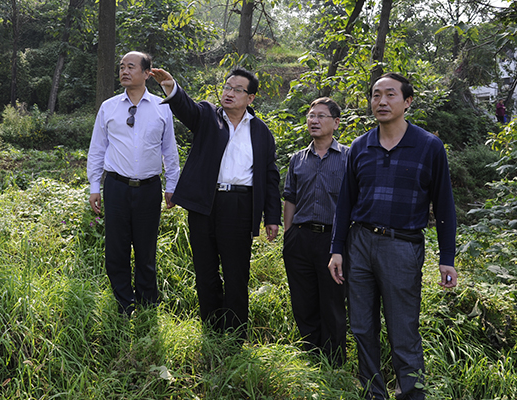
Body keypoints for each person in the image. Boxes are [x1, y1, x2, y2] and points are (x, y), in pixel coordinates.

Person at [328, 73, 457, 399]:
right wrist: (337, 248)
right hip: (360, 244)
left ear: (407, 101)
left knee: (403, 329)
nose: (381, 101)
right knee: (362, 327)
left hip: (403, 246)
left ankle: (412, 394)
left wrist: (447, 258)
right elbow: (345, 203)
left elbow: (444, 205)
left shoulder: (428, 146)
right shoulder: (360, 146)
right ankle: (373, 393)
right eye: (376, 95)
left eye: (390, 95)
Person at [150, 67, 281, 340]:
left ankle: (234, 336)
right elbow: (186, 109)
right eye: (227, 87)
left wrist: (272, 216)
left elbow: (270, 176)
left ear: (251, 98)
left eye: (237, 90)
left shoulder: (260, 132)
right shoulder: (208, 116)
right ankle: (211, 330)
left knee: (236, 273)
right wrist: (171, 86)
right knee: (205, 270)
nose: (229, 93)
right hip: (204, 204)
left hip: (240, 205)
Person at [87, 51, 180, 316]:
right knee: (116, 250)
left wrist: (171, 185)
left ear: (147, 73)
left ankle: (148, 305)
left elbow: (169, 150)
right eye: (121, 67)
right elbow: (97, 149)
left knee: (146, 250)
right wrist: (95, 186)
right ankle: (123, 305)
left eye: (131, 66)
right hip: (116, 187)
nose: (124, 71)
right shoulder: (108, 107)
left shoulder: (162, 107)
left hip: (149, 188)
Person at [282, 97, 348, 365]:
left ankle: (334, 362)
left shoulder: (349, 157)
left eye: (321, 116)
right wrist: (289, 235)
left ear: (336, 122)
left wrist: (342, 242)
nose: (314, 121)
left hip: (333, 241)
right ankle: (310, 357)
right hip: (300, 238)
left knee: (332, 301)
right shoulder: (297, 159)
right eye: (311, 116)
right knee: (303, 300)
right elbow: (290, 198)